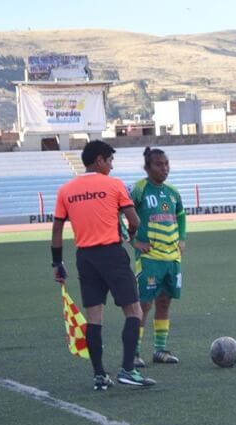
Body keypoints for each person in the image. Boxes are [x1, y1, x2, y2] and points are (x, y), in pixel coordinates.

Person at [51, 140, 156, 390]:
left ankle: (99, 376)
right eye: (109, 161)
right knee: (134, 312)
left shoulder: (66, 190)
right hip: (111, 253)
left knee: (94, 317)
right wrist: (131, 233)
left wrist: (57, 262)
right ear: (99, 160)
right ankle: (128, 370)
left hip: (85, 258)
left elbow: (56, 229)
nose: (111, 166)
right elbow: (135, 220)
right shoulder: (114, 184)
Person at [130, 147, 185, 368]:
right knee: (144, 304)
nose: (164, 168)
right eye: (158, 164)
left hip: (172, 258)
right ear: (147, 167)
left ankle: (160, 350)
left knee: (164, 302)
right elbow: (121, 212)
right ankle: (133, 353)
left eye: (166, 164)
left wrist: (182, 238)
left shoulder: (172, 191)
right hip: (149, 257)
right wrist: (133, 241)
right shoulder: (140, 189)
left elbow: (180, 215)